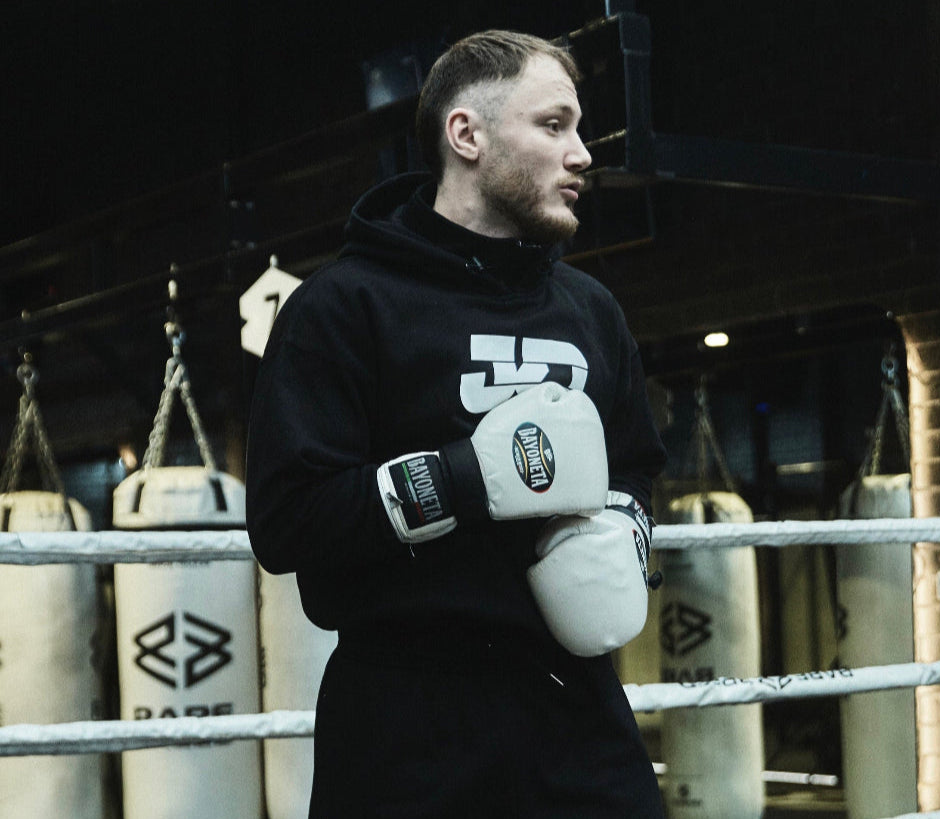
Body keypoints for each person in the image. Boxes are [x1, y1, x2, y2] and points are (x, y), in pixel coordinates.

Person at [246, 29, 668, 819]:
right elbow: (285, 521)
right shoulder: (342, 308)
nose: (582, 153)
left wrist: (622, 533)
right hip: (408, 725)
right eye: (553, 125)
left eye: (579, 129)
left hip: (577, 716)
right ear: (467, 134)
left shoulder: (592, 312)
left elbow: (639, 463)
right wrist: (464, 480)